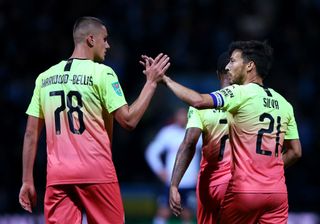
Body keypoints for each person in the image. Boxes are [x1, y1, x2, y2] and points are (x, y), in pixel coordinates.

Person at [18, 16, 170, 224]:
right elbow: (129, 120)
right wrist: (151, 83)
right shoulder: (103, 74)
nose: (108, 45)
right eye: (105, 39)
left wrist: (27, 180)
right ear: (91, 39)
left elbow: (30, 133)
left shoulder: (44, 78)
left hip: (58, 176)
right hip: (96, 171)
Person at [150, 40, 302, 223]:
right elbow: (295, 151)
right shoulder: (284, 103)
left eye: (233, 61)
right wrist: (270, 170)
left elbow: (197, 103)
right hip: (277, 191)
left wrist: (166, 80)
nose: (228, 67)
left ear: (249, 66)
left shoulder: (239, 93)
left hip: (240, 188)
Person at [169, 52, 232, 224]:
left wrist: (174, 184)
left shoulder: (201, 106)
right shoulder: (249, 106)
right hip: (242, 182)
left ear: (218, 74)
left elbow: (189, 144)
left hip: (211, 183)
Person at [145, 107, 201, 224]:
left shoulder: (196, 132)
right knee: (163, 211)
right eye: (179, 115)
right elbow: (152, 152)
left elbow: (209, 152)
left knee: (187, 213)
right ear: (175, 117)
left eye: (184, 115)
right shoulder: (168, 132)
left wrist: (202, 172)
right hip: (171, 181)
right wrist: (159, 170)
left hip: (190, 181)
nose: (181, 118)